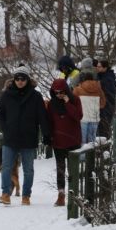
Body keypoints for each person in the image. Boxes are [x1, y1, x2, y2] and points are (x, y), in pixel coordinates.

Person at [0, 65, 51, 206]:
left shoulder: (35, 96)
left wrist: (46, 134)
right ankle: (5, 194)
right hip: (10, 136)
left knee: (28, 169)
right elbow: (0, 113)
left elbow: (42, 116)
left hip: (28, 136)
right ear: (14, 79)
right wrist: (4, 127)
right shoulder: (6, 95)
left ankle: (26, 196)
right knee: (6, 167)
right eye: (17, 78)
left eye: (23, 79)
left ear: (28, 80)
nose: (20, 81)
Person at [44, 79, 82, 207]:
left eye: (61, 92)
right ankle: (61, 195)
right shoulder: (52, 104)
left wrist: (67, 104)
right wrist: (48, 136)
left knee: (73, 170)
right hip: (58, 141)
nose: (59, 94)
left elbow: (78, 116)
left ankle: (74, 195)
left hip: (73, 140)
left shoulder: (75, 100)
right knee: (60, 169)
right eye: (56, 92)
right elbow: (49, 121)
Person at [73, 64, 106, 145]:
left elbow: (73, 103)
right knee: (91, 141)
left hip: (82, 118)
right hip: (94, 118)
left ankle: (83, 157)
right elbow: (103, 104)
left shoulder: (77, 90)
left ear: (83, 80)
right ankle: (91, 157)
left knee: (82, 141)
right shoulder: (99, 89)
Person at [96, 59, 116, 138]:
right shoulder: (102, 76)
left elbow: (109, 94)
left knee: (104, 130)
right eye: (97, 66)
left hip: (106, 107)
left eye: (99, 67)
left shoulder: (107, 79)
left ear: (105, 68)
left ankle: (105, 148)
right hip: (103, 106)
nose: (97, 68)